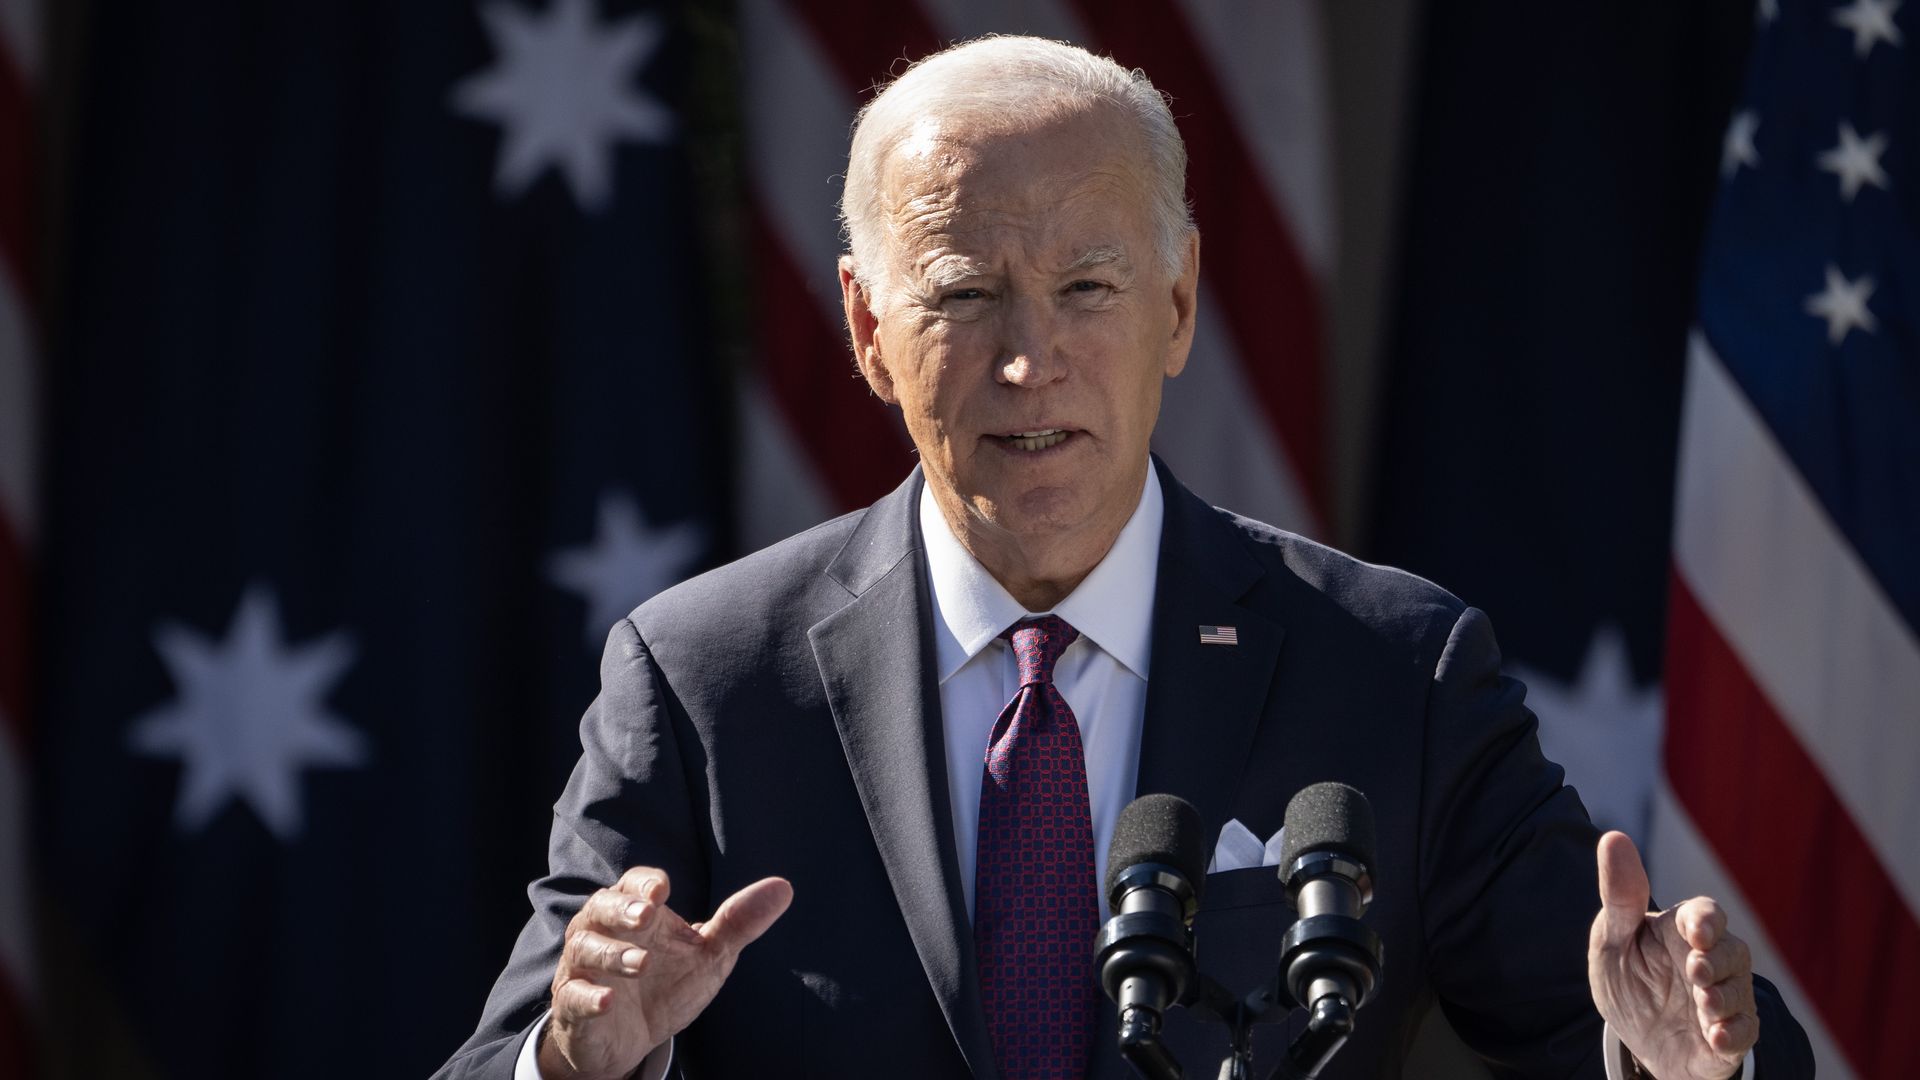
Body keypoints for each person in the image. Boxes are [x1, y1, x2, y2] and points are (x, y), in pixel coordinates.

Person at [438, 36, 1811, 1080]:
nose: (1032, 363)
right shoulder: (703, 682)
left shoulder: (1391, 670)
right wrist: (572, 1058)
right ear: (863, 326)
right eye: (965, 295)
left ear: (1178, 302)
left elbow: (1636, 1028)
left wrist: (1692, 1060)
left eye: (1089, 289)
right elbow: (512, 1052)